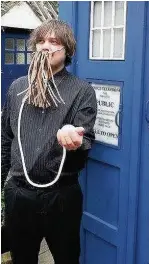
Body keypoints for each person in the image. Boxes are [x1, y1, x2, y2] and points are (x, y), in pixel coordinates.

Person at [1, 19, 97, 264]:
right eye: (40, 41)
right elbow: (6, 138)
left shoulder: (81, 90)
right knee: (22, 258)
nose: (45, 46)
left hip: (62, 197)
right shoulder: (17, 88)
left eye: (53, 41)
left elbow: (85, 141)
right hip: (19, 194)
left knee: (66, 258)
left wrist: (74, 139)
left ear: (67, 50)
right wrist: (3, 185)